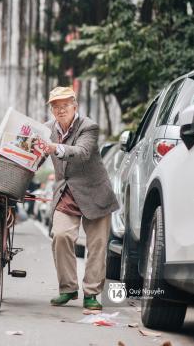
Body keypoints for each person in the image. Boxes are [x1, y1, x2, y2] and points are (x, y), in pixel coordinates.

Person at [44, 86, 119, 311]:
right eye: (55, 106)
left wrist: (54, 148)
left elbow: (83, 152)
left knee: (96, 246)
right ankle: (67, 288)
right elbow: (36, 155)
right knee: (60, 235)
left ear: (74, 106)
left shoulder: (89, 126)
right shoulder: (46, 130)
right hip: (66, 192)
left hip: (95, 193)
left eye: (65, 105)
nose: (60, 110)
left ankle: (92, 294)